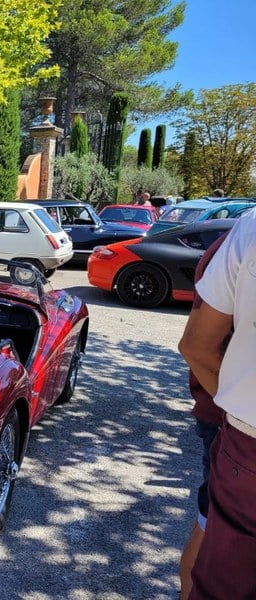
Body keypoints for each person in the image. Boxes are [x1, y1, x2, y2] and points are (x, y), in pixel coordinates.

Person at [177, 208, 256, 598]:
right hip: (229, 418)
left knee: (215, 549)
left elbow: (196, 343)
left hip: (237, 425)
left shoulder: (244, 233)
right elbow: (196, 347)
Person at [178, 232, 229, 600]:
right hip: (230, 419)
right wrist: (240, 414)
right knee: (215, 527)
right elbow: (195, 347)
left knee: (212, 523)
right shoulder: (242, 240)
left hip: (228, 414)